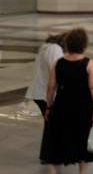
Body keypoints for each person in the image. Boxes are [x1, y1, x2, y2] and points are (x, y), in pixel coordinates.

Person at [41, 28, 93, 174]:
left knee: (57, 138)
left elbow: (51, 87)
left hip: (62, 105)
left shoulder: (59, 63)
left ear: (67, 44)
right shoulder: (89, 63)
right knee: (83, 138)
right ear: (84, 44)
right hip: (82, 106)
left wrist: (49, 107)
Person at [25, 33, 65, 163]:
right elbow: (58, 71)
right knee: (52, 124)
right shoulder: (55, 49)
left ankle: (50, 154)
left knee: (51, 124)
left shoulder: (47, 47)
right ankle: (48, 155)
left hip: (40, 91)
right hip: (45, 92)